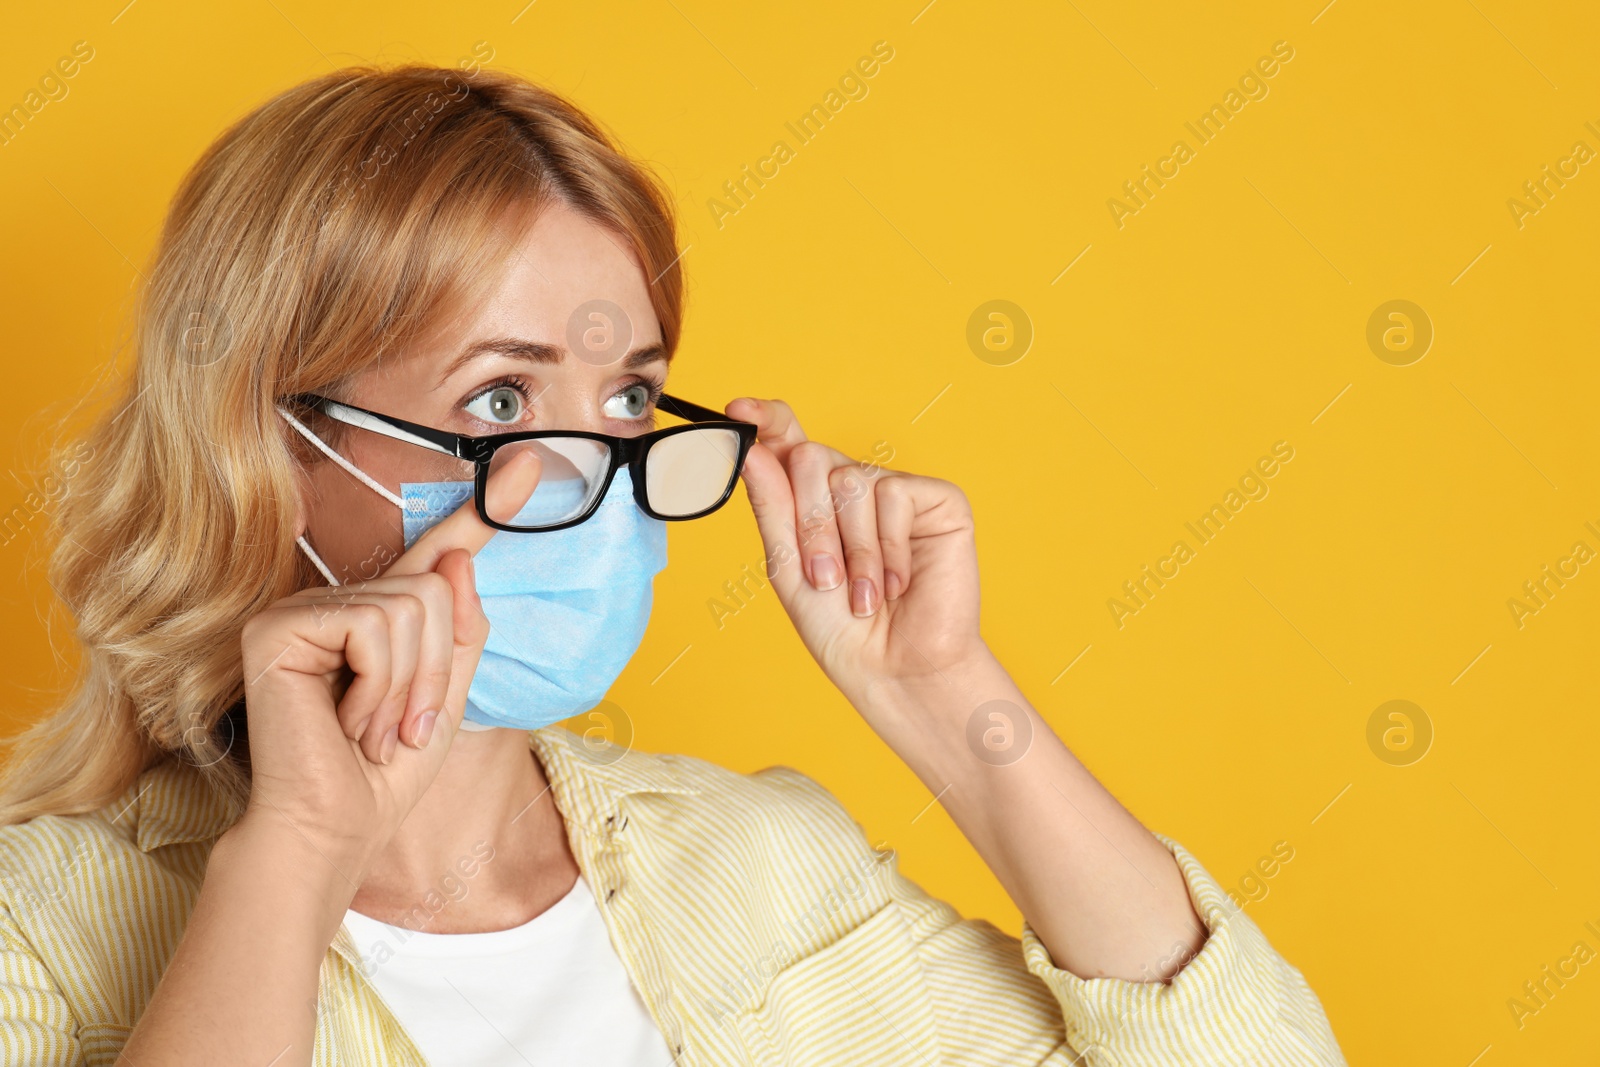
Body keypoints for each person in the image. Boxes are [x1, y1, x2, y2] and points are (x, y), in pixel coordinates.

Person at [0, 63, 1345, 1066]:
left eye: (630, 401)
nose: (589, 483)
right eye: (504, 406)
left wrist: (941, 694)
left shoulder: (761, 868)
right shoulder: (42, 926)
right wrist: (292, 855)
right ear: (271, 443)